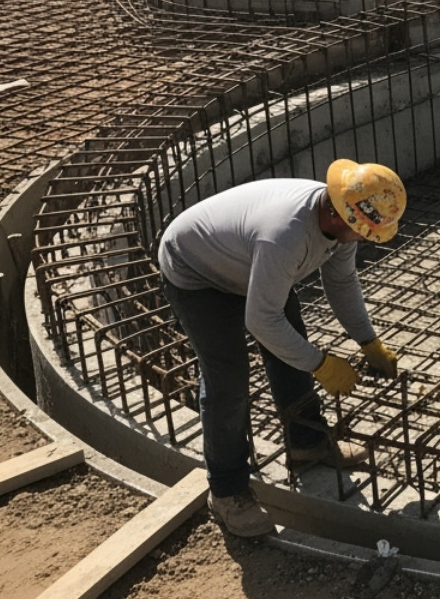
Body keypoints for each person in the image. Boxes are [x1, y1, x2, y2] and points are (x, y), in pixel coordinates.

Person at [158, 159, 406, 537]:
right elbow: (261, 320)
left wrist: (367, 340)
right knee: (228, 379)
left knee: (289, 346)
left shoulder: (340, 219)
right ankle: (226, 491)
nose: (369, 238)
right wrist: (320, 364)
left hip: (246, 264)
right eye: (367, 232)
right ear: (342, 219)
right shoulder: (286, 236)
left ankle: (307, 444)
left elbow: (340, 283)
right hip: (196, 272)